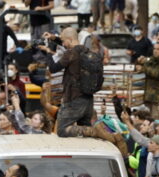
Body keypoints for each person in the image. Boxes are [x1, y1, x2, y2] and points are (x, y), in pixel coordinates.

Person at [38, 29, 128, 157]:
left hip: (73, 99)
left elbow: (53, 68)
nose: (63, 44)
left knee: (62, 130)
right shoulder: (86, 51)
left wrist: (48, 52)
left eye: (63, 41)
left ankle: (95, 130)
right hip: (88, 99)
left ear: (69, 40)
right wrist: (54, 38)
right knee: (84, 136)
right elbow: (68, 40)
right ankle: (91, 146)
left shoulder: (71, 53)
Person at [138, 42, 159, 118]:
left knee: (156, 120)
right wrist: (140, 61)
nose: (155, 51)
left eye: (158, 49)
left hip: (158, 98)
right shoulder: (153, 59)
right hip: (149, 97)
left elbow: (157, 73)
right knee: (148, 121)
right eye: (154, 49)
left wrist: (144, 68)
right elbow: (144, 64)